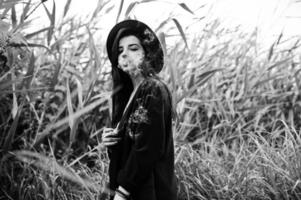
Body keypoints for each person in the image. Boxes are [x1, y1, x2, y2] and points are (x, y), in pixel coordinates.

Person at [102, 19, 178, 200]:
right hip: (129, 190)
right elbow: (130, 146)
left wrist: (122, 192)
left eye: (133, 48)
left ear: (147, 53)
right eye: (120, 51)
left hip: (149, 191)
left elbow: (148, 148)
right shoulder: (126, 94)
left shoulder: (153, 89)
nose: (126, 54)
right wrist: (111, 141)